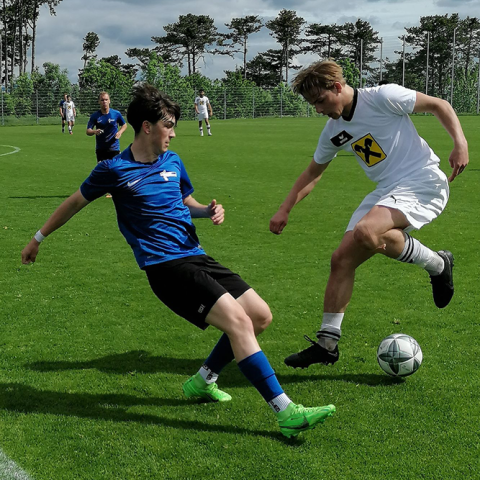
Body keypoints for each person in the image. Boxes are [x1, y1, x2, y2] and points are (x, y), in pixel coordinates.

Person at [22, 83, 335, 438]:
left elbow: (186, 202)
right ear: (147, 126)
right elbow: (74, 203)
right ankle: (285, 411)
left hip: (196, 255)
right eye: (168, 124)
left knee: (260, 316)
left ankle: (203, 381)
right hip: (165, 267)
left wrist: (208, 211)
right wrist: (38, 238)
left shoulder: (173, 161)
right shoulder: (113, 169)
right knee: (238, 322)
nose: (173, 132)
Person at [269, 60, 469, 369]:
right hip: (387, 190)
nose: (319, 110)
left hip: (422, 180)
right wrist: (285, 208)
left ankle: (438, 264)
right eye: (313, 105)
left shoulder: (383, 97)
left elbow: (439, 105)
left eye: (320, 101)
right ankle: (327, 344)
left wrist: (460, 143)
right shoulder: (334, 131)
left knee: (366, 232)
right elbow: (313, 172)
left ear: (337, 87)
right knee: (341, 259)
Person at [86, 92, 127, 162]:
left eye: (106, 99)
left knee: (115, 171)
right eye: (102, 100)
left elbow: (124, 125)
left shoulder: (116, 114)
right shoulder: (95, 116)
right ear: (99, 102)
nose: (104, 102)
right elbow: (88, 131)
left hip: (114, 148)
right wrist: (94, 132)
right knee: (102, 172)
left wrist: (120, 132)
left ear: (109, 101)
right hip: (101, 149)